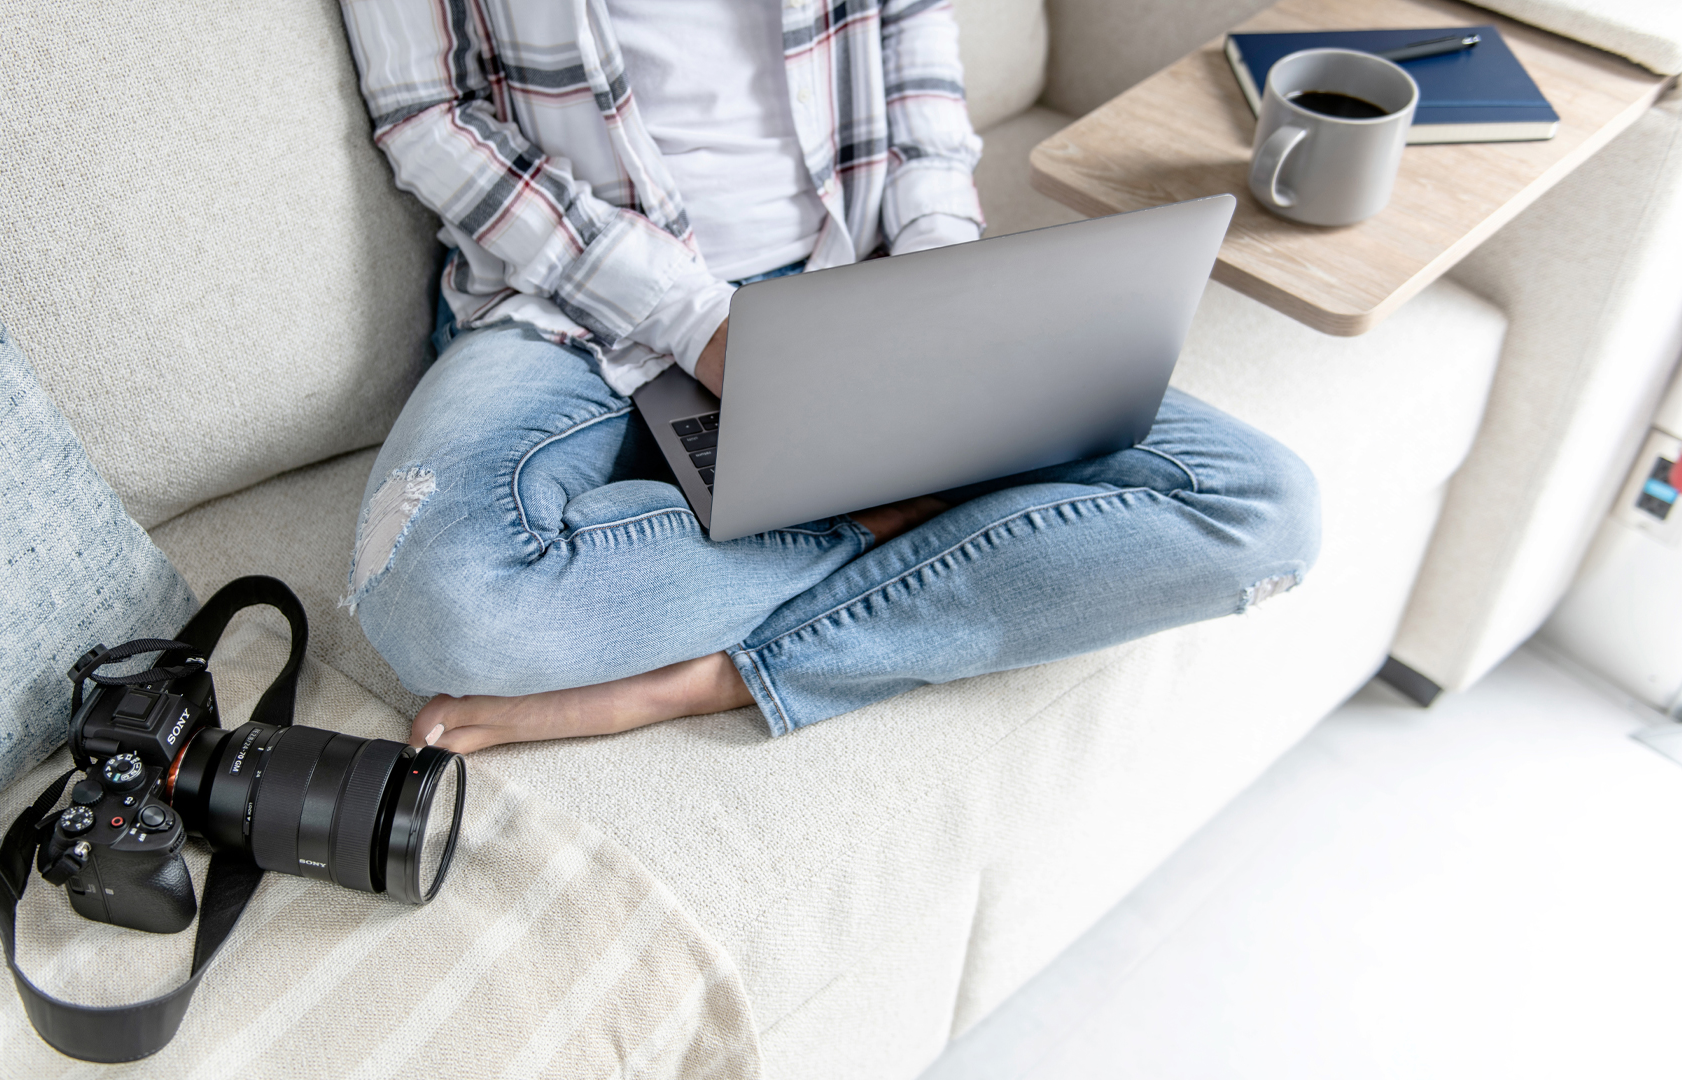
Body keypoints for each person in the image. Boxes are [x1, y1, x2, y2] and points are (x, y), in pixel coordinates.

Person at [337, 0, 1320, 754]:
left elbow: (915, 60)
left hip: (851, 275)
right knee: (437, 599)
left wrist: (939, 273)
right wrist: (698, 320)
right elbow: (430, 117)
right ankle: (892, 514)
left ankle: (738, 671)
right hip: (572, 300)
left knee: (1260, 507)